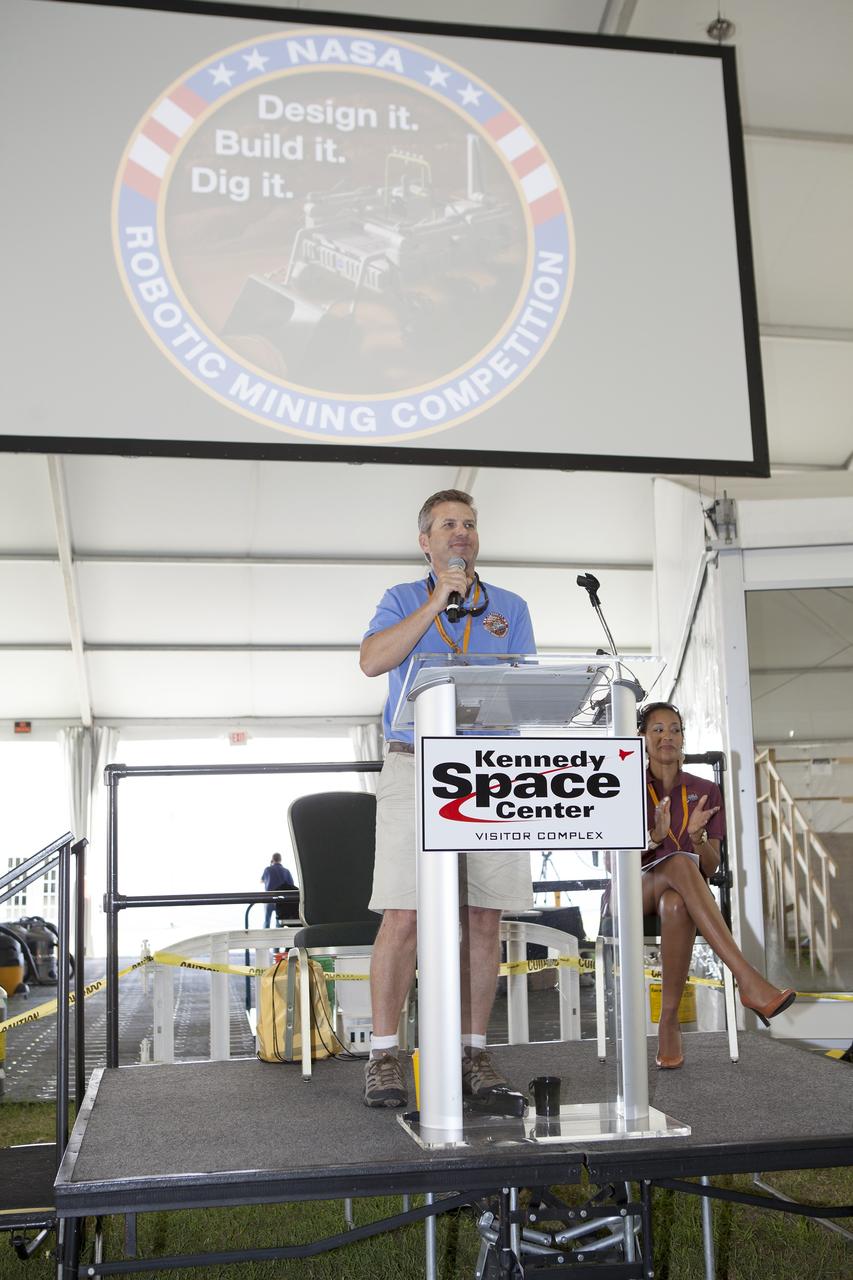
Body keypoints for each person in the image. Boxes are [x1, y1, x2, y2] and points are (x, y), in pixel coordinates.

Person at [360, 489, 536, 1108]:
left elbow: (525, 690)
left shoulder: (509, 607)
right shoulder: (403, 599)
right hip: (416, 763)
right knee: (404, 913)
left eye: (469, 524)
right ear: (425, 542)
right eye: (447, 525)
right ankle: (383, 1054)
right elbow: (372, 661)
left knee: (484, 915)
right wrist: (439, 598)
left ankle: (472, 1048)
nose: (461, 533)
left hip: (491, 769)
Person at [636, 702, 795, 1068]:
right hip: (632, 890)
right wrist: (652, 838)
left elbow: (710, 865)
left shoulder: (705, 789)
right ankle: (748, 979)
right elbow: (617, 862)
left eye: (675, 729)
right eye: (657, 729)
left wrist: (698, 840)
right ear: (642, 738)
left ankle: (669, 1021)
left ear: (683, 737)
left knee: (677, 901)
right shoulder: (624, 786)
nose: (667, 737)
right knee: (676, 861)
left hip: (682, 890)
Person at [260, 852, 295, 927]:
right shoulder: (286, 871)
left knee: (267, 921)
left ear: (272, 859)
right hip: (281, 900)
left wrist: (270, 865)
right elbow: (291, 885)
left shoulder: (267, 869)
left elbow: (261, 881)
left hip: (269, 899)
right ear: (281, 859)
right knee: (279, 922)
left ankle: (266, 935)